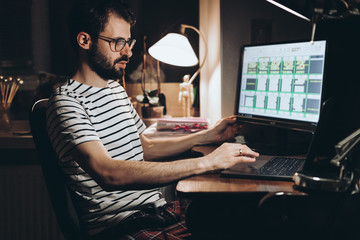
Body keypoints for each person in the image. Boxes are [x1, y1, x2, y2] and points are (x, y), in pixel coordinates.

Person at [46, 0, 259, 239]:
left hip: (158, 212)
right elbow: (108, 173)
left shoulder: (114, 89)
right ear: (85, 40)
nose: (127, 51)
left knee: (251, 218)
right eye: (117, 43)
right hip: (121, 228)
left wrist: (208, 136)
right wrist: (208, 162)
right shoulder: (66, 102)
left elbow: (144, 147)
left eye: (128, 42)